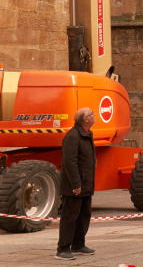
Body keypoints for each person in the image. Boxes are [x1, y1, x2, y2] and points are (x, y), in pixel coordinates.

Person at [56, 107, 97, 260]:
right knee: (70, 217)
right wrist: (76, 184)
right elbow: (69, 162)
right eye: (92, 114)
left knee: (84, 215)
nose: (94, 115)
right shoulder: (73, 136)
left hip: (86, 183)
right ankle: (63, 249)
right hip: (74, 185)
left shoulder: (87, 134)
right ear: (85, 119)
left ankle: (78, 244)